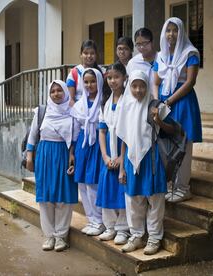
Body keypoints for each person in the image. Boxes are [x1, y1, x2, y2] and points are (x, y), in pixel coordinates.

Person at [117, 70, 174, 255]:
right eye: (134, 86)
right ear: (129, 86)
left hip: (152, 158)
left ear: (147, 86)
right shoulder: (126, 107)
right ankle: (137, 236)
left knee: (155, 200)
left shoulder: (156, 105)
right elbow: (125, 138)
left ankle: (154, 238)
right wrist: (121, 168)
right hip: (131, 159)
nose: (138, 90)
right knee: (133, 200)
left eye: (142, 85)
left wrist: (159, 120)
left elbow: (172, 129)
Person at [153, 17, 202, 202]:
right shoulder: (161, 56)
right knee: (165, 144)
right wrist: (158, 101)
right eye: (168, 30)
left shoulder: (191, 54)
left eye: (175, 30)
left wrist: (169, 101)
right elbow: (155, 81)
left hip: (182, 101)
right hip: (165, 102)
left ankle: (183, 187)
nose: (171, 34)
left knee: (184, 143)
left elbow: (190, 82)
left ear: (181, 32)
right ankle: (169, 184)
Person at [25, 80, 77, 252]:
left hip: (63, 155)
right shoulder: (42, 112)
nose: (56, 94)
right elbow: (33, 135)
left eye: (59, 90)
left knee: (63, 198)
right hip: (45, 155)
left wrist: (72, 156)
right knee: (46, 198)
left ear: (65, 92)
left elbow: (75, 138)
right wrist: (30, 156)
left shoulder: (72, 112)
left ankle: (61, 236)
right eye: (53, 91)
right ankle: (49, 236)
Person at [96, 62, 129, 245]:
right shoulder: (106, 103)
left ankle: (123, 229)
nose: (112, 81)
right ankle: (110, 226)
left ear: (124, 78)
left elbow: (128, 132)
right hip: (108, 152)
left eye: (116, 77)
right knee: (107, 188)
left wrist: (121, 158)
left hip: (124, 151)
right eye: (109, 77)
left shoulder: (129, 101)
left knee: (122, 190)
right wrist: (105, 156)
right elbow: (102, 131)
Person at [71, 68, 105, 236]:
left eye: (92, 81)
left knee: (94, 183)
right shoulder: (79, 105)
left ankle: (100, 221)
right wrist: (73, 152)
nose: (89, 85)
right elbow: (75, 130)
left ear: (99, 82)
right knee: (82, 184)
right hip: (82, 145)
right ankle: (91, 219)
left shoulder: (104, 103)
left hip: (98, 144)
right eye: (86, 82)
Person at [66, 40, 102, 106]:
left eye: (92, 53)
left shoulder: (102, 72)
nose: (89, 56)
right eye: (86, 53)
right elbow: (71, 99)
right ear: (81, 55)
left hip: (98, 109)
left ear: (96, 54)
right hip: (79, 111)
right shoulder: (74, 73)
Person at [126, 28, 158, 98]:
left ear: (152, 42)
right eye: (138, 44)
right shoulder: (133, 63)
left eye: (145, 43)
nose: (142, 47)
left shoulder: (161, 59)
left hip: (160, 101)